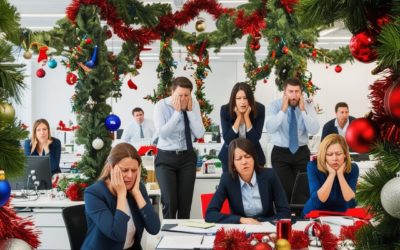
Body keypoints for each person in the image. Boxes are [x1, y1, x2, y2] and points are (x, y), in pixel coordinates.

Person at [82, 143, 160, 250]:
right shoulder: (94, 193)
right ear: (111, 168)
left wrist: (137, 193)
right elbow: (117, 234)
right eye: (124, 170)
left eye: (134, 170)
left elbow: (154, 228)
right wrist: (121, 195)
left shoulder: (137, 188)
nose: (130, 176)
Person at [153, 76, 205, 219]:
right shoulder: (161, 106)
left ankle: (183, 239)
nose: (183, 99)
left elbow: (200, 133)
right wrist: (177, 113)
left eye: (186, 95)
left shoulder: (193, 104)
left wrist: (189, 112)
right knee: (170, 202)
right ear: (172, 92)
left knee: (185, 204)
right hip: (166, 158)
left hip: (187, 158)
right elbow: (163, 134)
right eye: (179, 95)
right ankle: (168, 238)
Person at [205, 138, 290, 224]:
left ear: (254, 159)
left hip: (267, 227)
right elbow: (210, 214)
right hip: (241, 229)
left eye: (247, 156)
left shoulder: (270, 175)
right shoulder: (227, 179)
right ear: (233, 164)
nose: (244, 162)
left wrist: (260, 222)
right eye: (239, 159)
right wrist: (241, 220)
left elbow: (285, 212)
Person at [265, 78, 320, 202]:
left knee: (302, 192)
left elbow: (314, 129)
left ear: (301, 92)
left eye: (297, 91)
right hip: (280, 154)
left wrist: (303, 111)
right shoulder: (274, 105)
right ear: (284, 92)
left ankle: (301, 219)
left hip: (301, 153)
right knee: (285, 191)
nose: (294, 96)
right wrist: (283, 110)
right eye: (291, 91)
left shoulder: (307, 105)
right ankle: (285, 218)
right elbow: (270, 128)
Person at [302, 134, 359, 217]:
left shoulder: (353, 168)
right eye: (329, 154)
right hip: (315, 214)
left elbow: (349, 199)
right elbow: (319, 200)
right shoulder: (313, 166)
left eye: (338, 154)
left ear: (345, 154)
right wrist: (332, 174)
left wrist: (340, 174)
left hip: (343, 216)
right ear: (324, 155)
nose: (334, 158)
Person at [219, 82, 266, 173]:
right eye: (238, 98)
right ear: (234, 99)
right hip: (230, 156)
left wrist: (246, 117)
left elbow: (255, 139)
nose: (242, 102)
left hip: (254, 155)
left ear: (250, 99)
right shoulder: (225, 110)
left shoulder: (259, 109)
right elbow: (228, 139)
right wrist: (239, 117)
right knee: (231, 186)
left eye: (245, 98)